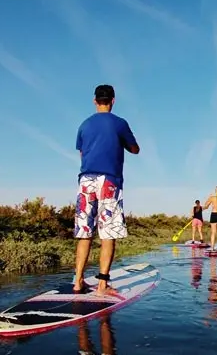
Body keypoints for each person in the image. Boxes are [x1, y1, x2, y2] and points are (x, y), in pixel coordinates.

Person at [73, 84, 140, 296]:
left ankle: (78, 282)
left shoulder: (84, 125)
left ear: (95, 101)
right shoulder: (120, 123)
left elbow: (82, 154)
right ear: (113, 100)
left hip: (86, 180)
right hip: (109, 180)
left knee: (85, 233)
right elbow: (135, 149)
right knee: (108, 233)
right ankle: (102, 284)